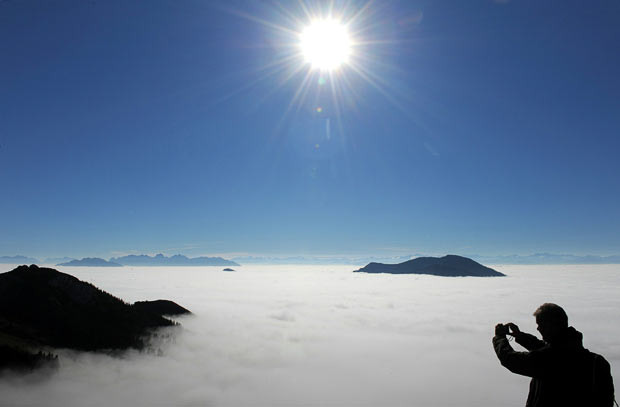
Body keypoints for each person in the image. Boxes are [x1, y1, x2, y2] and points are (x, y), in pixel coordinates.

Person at [493, 303, 615, 407]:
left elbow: (510, 360)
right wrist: (520, 336)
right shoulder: (597, 362)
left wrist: (499, 338)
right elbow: (549, 349)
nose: (538, 329)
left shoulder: (550, 359)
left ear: (551, 326)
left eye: (540, 325)